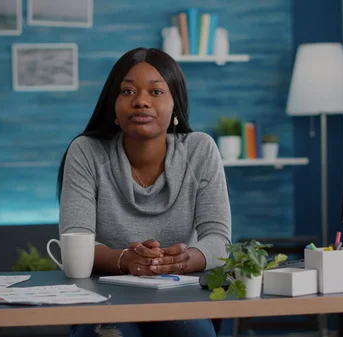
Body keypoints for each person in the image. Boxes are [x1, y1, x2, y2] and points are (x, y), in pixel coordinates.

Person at [56, 47, 232, 337]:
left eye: (156, 92)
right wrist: (125, 260)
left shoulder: (200, 150)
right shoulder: (86, 152)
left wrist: (183, 259)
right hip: (102, 298)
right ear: (113, 105)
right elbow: (76, 241)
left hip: (179, 295)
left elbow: (219, 240)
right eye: (127, 92)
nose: (140, 102)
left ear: (175, 103)